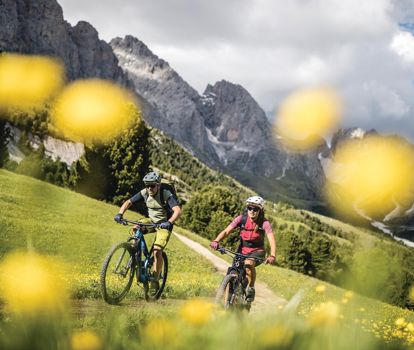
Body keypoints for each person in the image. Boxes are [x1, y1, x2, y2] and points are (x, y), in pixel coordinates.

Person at [114, 171, 181, 293]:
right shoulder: (145, 192)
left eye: (152, 185)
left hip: (164, 224)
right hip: (151, 221)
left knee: (157, 251)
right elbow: (128, 202)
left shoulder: (165, 194)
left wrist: (169, 222)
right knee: (136, 228)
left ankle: (155, 280)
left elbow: (177, 210)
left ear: (158, 185)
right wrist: (120, 213)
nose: (149, 188)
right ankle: (136, 253)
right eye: (147, 185)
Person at [210, 196, 276, 302]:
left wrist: (272, 255)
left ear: (261, 210)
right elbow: (227, 231)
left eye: (256, 209)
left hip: (257, 251)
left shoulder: (264, 223)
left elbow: (271, 240)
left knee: (248, 264)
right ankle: (227, 296)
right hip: (242, 250)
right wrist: (216, 241)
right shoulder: (241, 218)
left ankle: (251, 288)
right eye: (250, 208)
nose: (252, 211)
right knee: (233, 270)